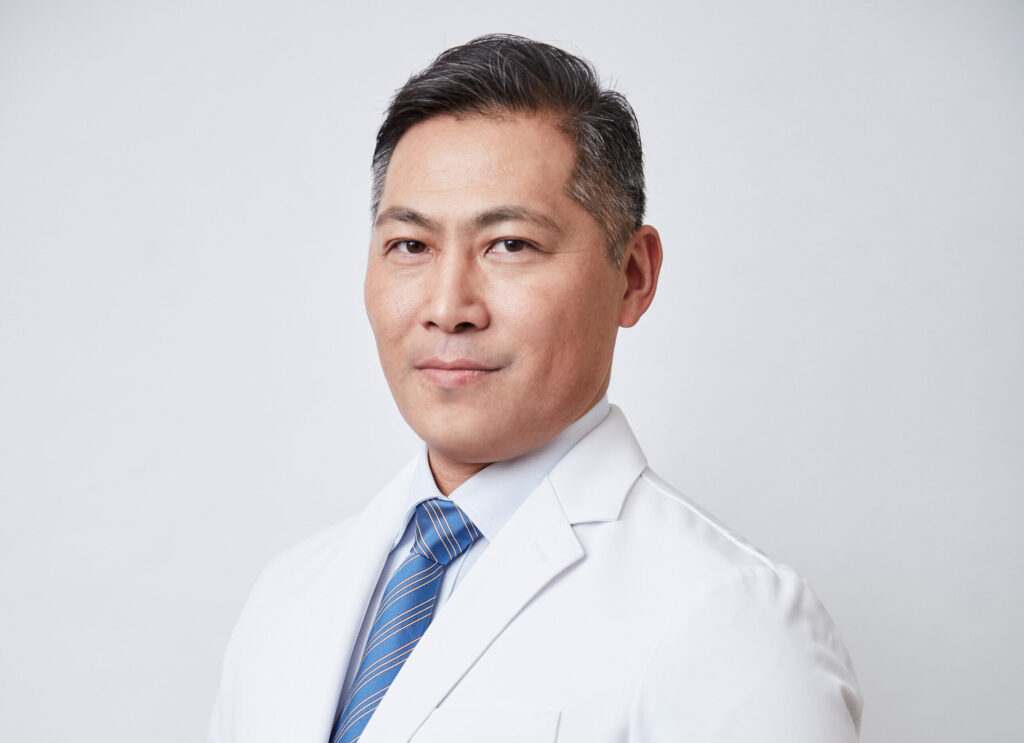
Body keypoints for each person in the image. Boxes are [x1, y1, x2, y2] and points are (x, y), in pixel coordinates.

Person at [208, 34, 863, 743]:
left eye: (510, 244)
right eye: (411, 245)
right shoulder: (288, 595)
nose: (448, 307)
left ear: (633, 276)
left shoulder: (733, 621)